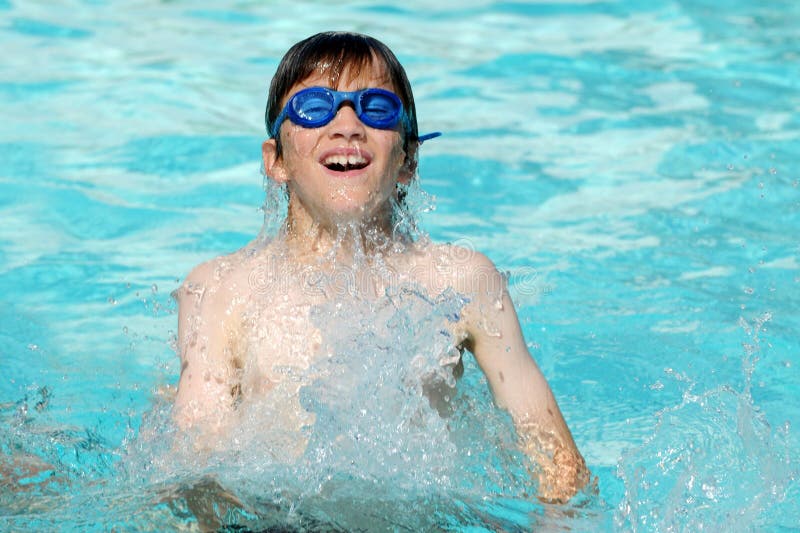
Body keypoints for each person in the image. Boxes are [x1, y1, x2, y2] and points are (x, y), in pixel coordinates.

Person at [172, 31, 589, 504]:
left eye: (376, 108)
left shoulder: (462, 281)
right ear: (277, 160)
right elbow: (197, 468)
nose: (347, 125)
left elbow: (557, 466)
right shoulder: (221, 289)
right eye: (314, 106)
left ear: (408, 158)